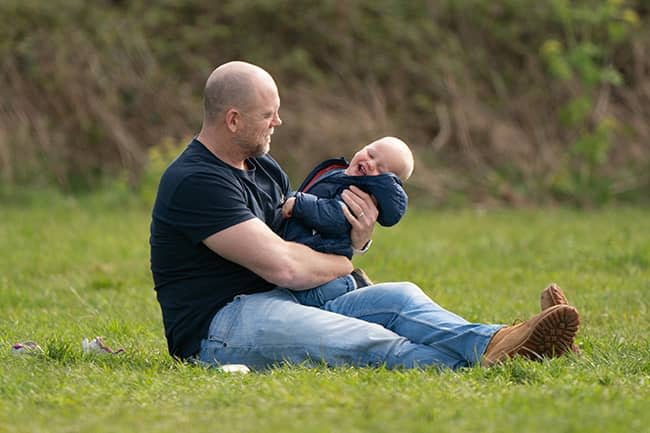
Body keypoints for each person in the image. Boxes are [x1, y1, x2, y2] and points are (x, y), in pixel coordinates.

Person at [149, 60, 580, 371]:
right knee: (369, 342)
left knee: (401, 298)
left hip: (286, 297)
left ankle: (501, 340)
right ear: (233, 119)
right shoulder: (195, 182)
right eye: (268, 115)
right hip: (222, 327)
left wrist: (357, 237)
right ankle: (516, 353)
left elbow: (299, 236)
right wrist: (346, 262)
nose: (278, 121)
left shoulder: (264, 167)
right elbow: (283, 264)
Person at [279, 136, 413, 307]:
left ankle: (353, 285)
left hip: (323, 254)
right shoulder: (340, 173)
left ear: (387, 184)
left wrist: (299, 203)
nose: (371, 164)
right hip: (305, 247)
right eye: (371, 154)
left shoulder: (360, 192)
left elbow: (336, 217)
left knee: (307, 297)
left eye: (381, 169)